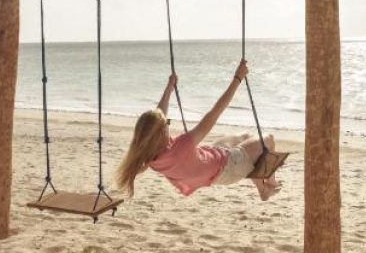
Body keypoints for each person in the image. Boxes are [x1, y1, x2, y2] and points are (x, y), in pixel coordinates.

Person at [115, 59, 280, 201]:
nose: (169, 126)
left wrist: (169, 88)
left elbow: (157, 118)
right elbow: (214, 113)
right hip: (230, 166)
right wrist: (238, 78)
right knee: (268, 139)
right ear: (160, 132)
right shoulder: (181, 147)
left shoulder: (150, 157)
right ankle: (269, 183)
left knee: (244, 137)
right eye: (168, 124)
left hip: (212, 166)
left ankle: (260, 186)